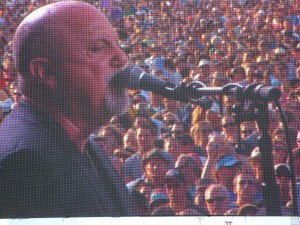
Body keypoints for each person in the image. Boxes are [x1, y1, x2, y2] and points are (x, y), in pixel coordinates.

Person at [0, 1, 135, 217]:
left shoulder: (81, 143)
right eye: (99, 48)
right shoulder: (24, 164)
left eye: (118, 46)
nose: (122, 58)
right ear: (45, 72)